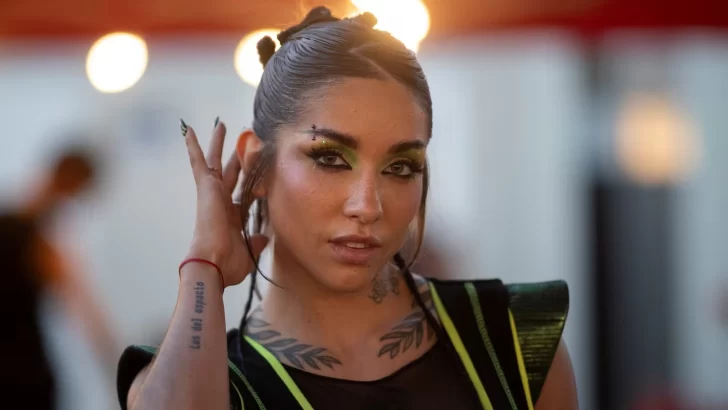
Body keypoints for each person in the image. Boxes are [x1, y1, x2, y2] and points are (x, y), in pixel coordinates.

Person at [117, 7, 577, 410]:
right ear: (257, 163)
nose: (367, 206)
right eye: (330, 159)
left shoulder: (512, 339)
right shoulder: (204, 379)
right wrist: (204, 268)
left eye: (400, 166)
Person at [1, 146, 118, 409]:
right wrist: (119, 363)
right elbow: (83, 308)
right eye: (75, 197)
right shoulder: (34, 240)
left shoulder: (29, 233)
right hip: (21, 379)